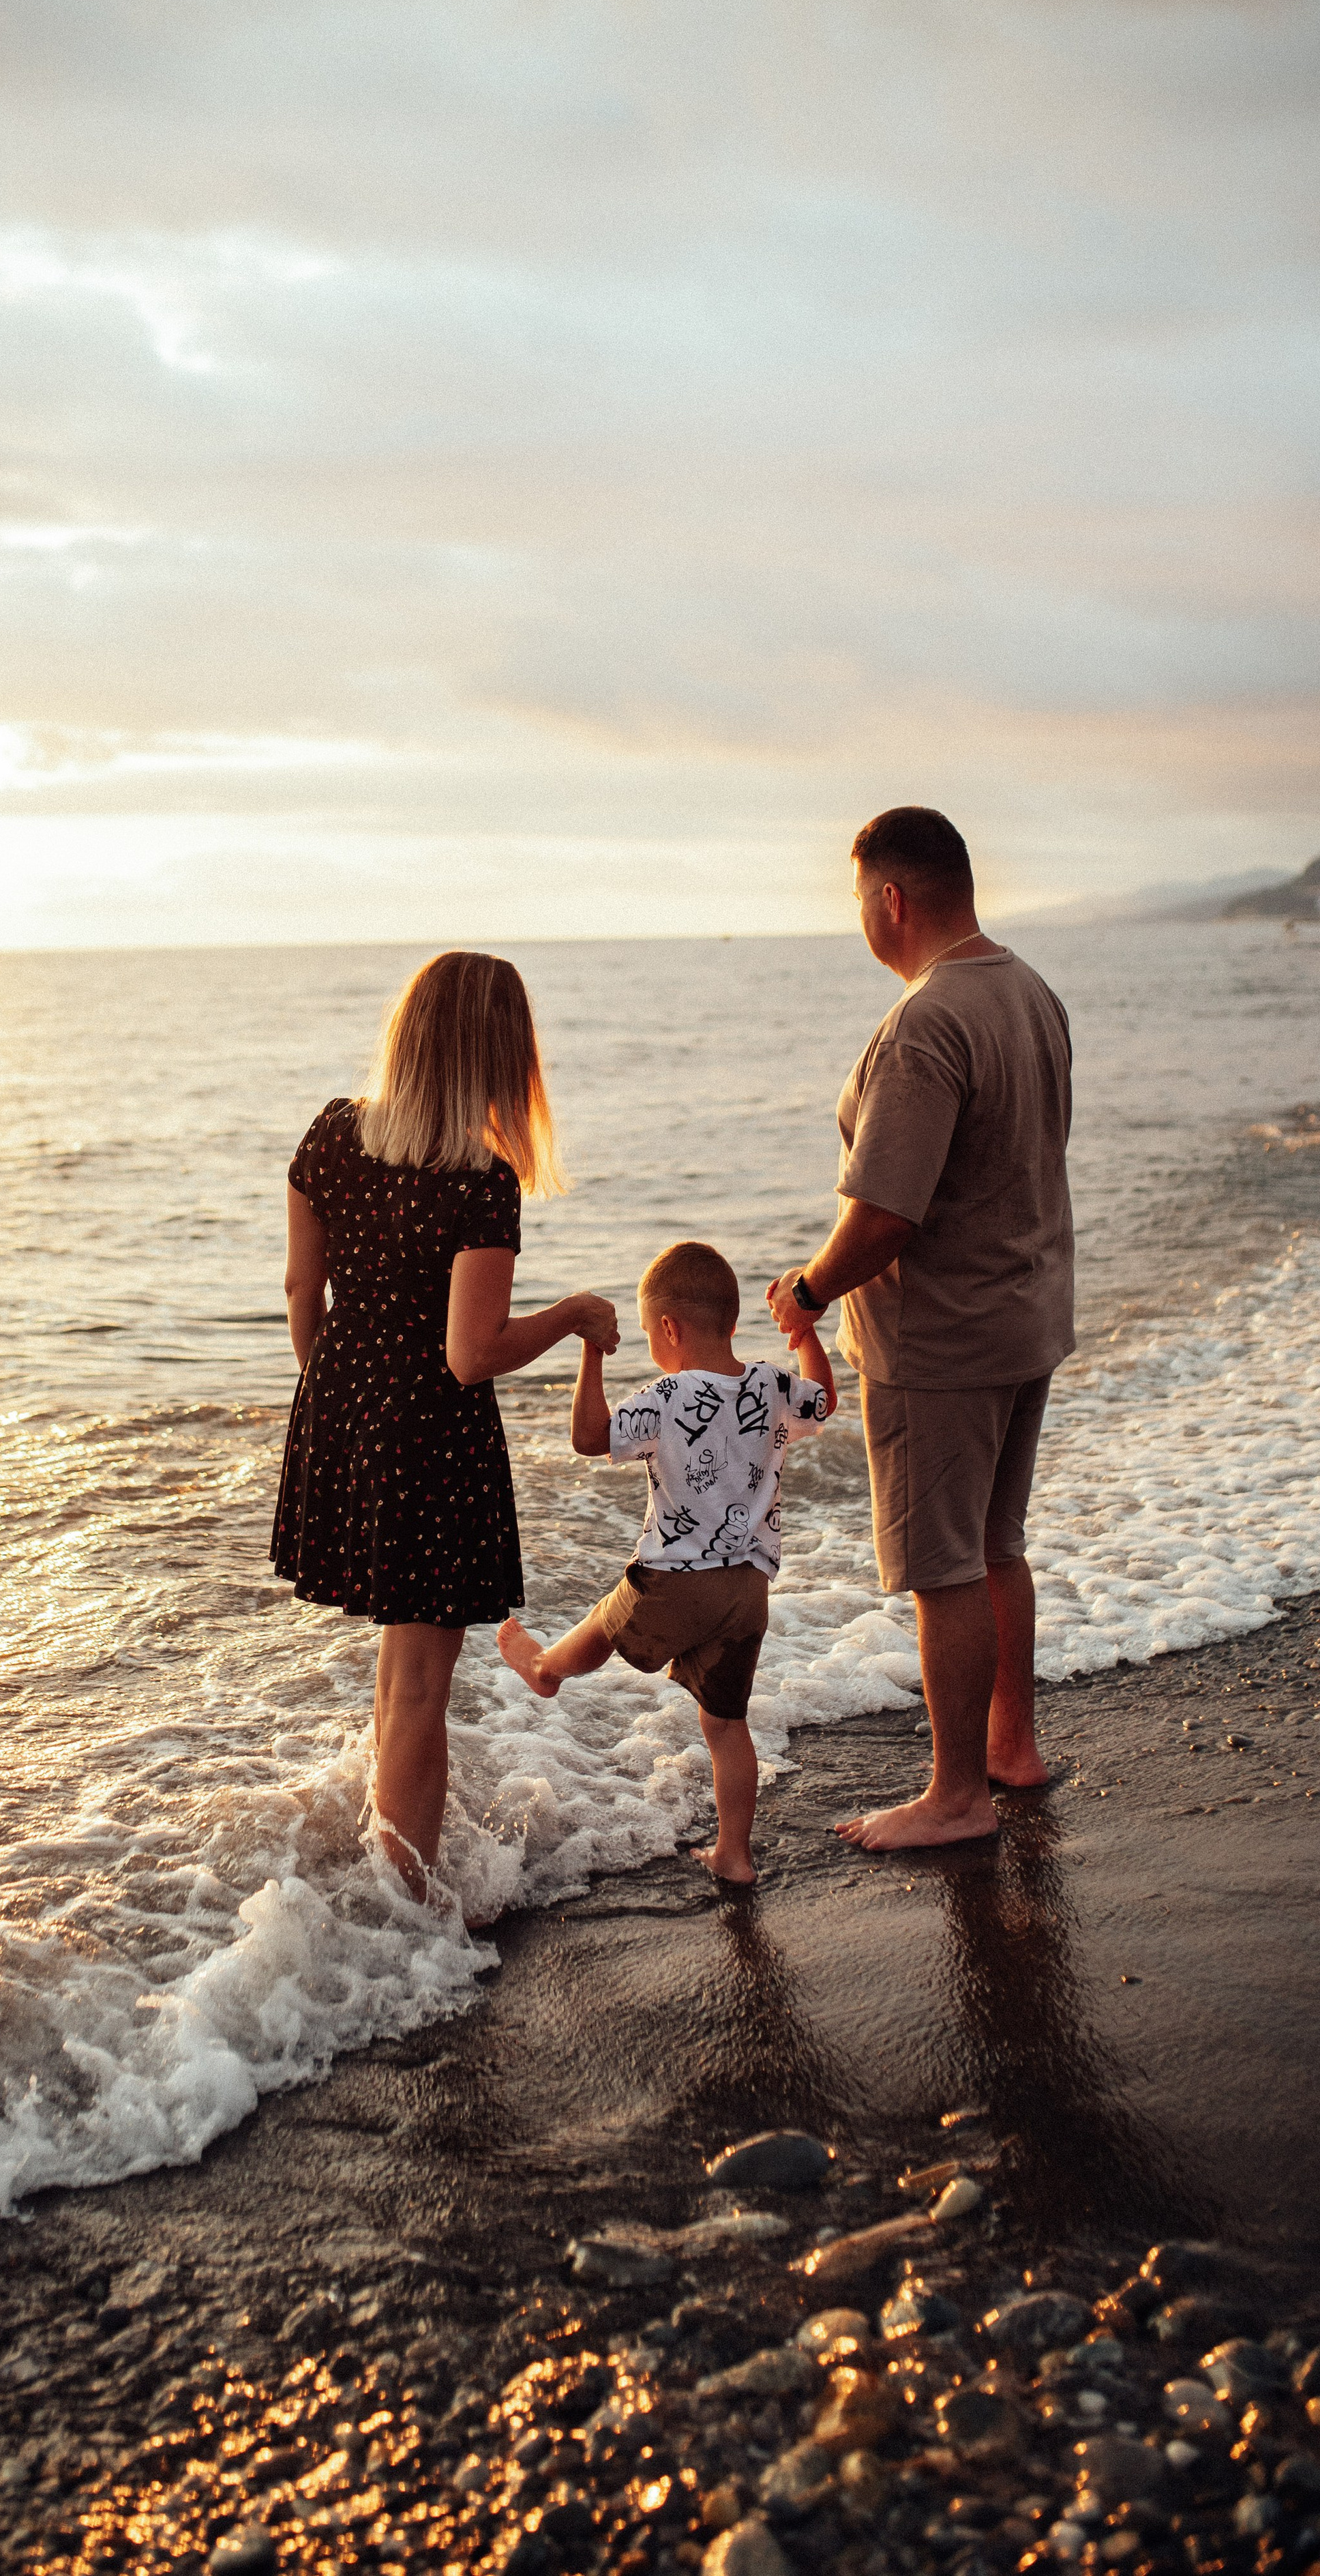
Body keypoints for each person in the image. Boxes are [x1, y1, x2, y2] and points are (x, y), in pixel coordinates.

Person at [271, 951, 619, 1897]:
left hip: (341, 1409)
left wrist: (335, 1397)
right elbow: (472, 1352)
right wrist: (574, 1315)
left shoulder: (331, 1136)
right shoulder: (479, 1176)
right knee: (422, 1677)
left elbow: (304, 1289)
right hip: (432, 1433)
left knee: (398, 1658)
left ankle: (390, 1851)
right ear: (502, 1053)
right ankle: (409, 1909)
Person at [768, 805, 1075, 1852]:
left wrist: (807, 1290)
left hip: (942, 1341)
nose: (859, 914)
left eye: (859, 895)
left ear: (890, 898)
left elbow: (888, 1213)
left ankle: (956, 1795)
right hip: (1025, 1317)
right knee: (997, 1548)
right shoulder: (1029, 991)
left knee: (945, 1565)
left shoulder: (924, 1022)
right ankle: (1010, 1748)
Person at [496, 1240, 835, 1886]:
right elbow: (825, 1398)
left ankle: (545, 1669)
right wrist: (804, 1330)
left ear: (670, 1329)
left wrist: (591, 1352)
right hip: (748, 1589)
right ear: (732, 1321)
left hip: (677, 1577)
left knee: (608, 1617)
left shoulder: (670, 1393)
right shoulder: (771, 1381)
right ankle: (735, 1853)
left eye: (652, 1331)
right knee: (725, 1724)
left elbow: (590, 1437)